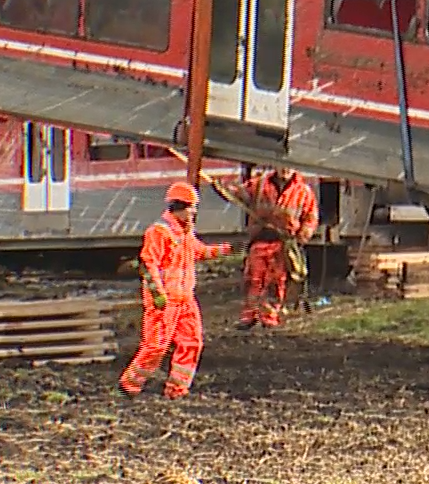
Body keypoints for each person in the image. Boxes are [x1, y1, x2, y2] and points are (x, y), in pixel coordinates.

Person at [119, 182, 233, 399]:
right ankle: (129, 386)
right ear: (179, 206)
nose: (194, 212)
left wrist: (228, 249)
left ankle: (177, 390)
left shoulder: (185, 233)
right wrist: (158, 294)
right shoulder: (159, 232)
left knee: (192, 342)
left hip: (185, 300)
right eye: (192, 207)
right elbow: (148, 263)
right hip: (165, 301)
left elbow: (199, 252)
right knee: (155, 347)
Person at [212, 166, 319, 330]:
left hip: (283, 243)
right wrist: (222, 187)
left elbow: (310, 218)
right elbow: (239, 195)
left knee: (276, 282)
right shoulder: (260, 185)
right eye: (281, 166)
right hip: (260, 240)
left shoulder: (303, 191)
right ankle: (250, 315)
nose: (285, 170)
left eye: (288, 167)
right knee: (253, 279)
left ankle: (269, 317)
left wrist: (301, 238)